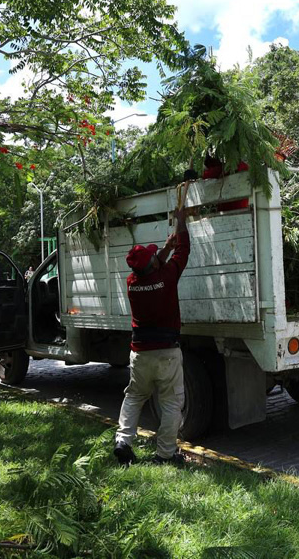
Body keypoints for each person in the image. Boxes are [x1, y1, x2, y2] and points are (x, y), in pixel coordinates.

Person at [113, 196, 191, 465]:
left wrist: (165, 249)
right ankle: (165, 455)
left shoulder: (133, 281)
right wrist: (181, 221)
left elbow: (153, 265)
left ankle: (123, 441)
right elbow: (185, 251)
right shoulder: (167, 278)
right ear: (154, 266)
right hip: (167, 352)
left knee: (134, 396)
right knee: (171, 403)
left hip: (141, 354)